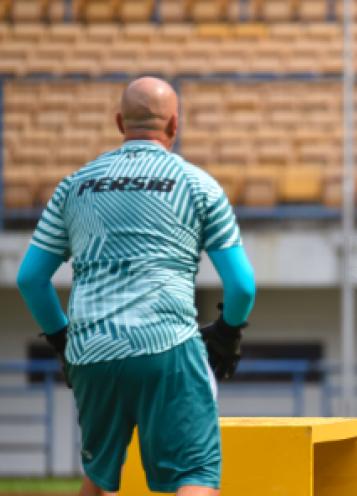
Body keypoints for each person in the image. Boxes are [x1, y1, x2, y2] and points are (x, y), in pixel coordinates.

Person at [16, 77, 256, 496]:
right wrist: (228, 332)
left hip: (91, 350)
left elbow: (30, 279)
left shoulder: (73, 186)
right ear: (174, 125)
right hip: (166, 345)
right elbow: (242, 286)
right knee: (195, 473)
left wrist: (62, 341)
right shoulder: (199, 185)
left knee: (101, 476)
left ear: (118, 122)